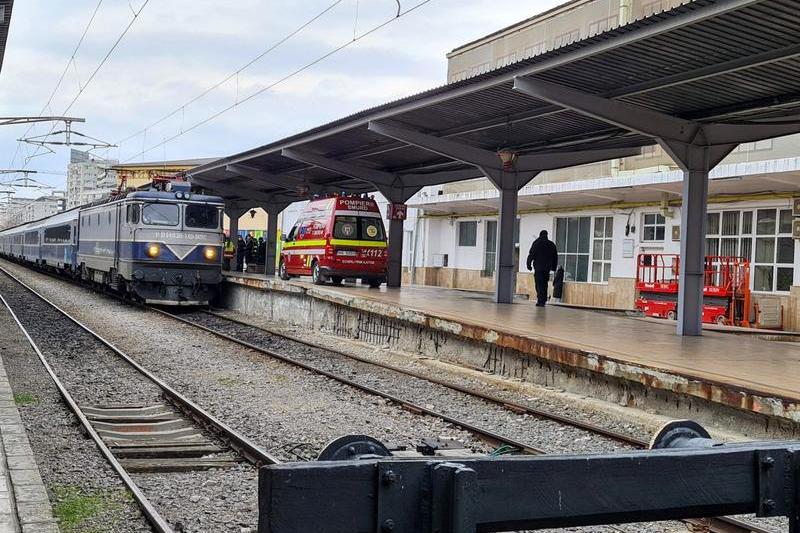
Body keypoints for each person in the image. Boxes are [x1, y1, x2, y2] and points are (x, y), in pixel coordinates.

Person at [526, 230, 559, 307]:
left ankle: (540, 300)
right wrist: (554, 267)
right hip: (547, 268)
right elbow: (555, 257)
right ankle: (543, 300)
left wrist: (529, 265)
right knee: (544, 284)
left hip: (538, 268)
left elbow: (531, 255)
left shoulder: (536, 243)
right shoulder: (551, 244)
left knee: (539, 284)